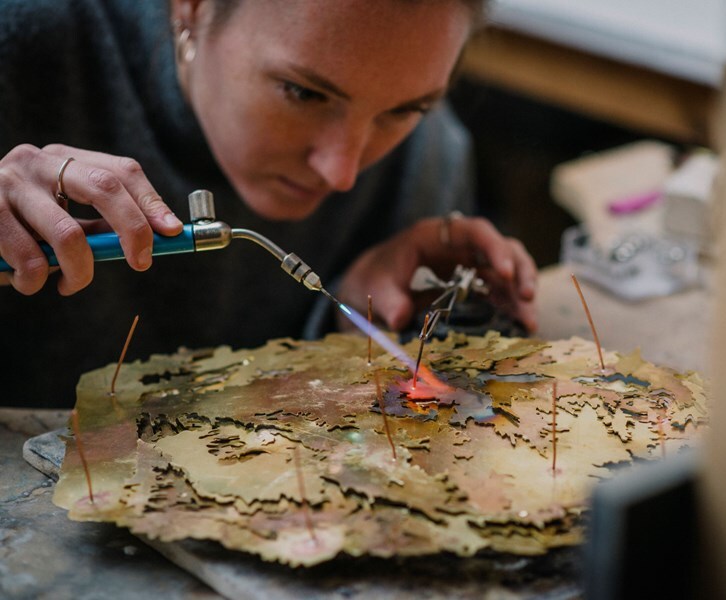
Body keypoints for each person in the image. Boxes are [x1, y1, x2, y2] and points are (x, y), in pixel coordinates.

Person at [0, 0, 537, 408]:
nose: (342, 171)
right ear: (191, 7)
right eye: (304, 93)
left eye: (404, 110)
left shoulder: (430, 153)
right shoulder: (24, 48)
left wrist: (343, 333)